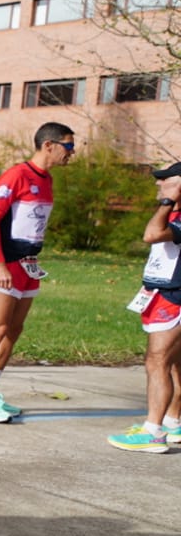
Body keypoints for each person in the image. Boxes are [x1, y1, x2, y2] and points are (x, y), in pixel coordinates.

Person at [0, 122, 76, 423]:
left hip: (29, 264)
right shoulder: (16, 175)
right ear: (48, 145)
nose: (72, 153)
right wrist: (0, 264)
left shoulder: (47, 180)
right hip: (3, 264)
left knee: (14, 331)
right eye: (69, 147)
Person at [107, 163, 181, 452]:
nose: (158, 186)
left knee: (157, 361)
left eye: (165, 182)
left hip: (173, 297)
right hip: (164, 293)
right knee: (174, 363)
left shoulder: (174, 214)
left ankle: (153, 431)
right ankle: (173, 421)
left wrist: (168, 201)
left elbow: (151, 234)